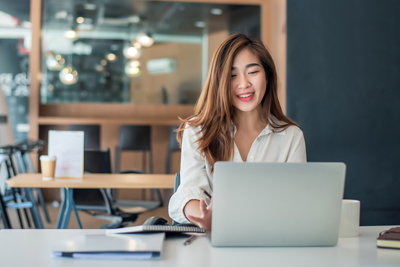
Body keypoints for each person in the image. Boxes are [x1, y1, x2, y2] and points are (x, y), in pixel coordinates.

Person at [168, 33, 306, 230]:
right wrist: (205, 216)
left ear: (267, 75)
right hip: (213, 245)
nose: (243, 84)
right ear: (220, 82)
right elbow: (190, 192)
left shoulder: (291, 136)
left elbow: (297, 202)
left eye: (253, 72)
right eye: (232, 75)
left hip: (272, 241)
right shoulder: (198, 131)